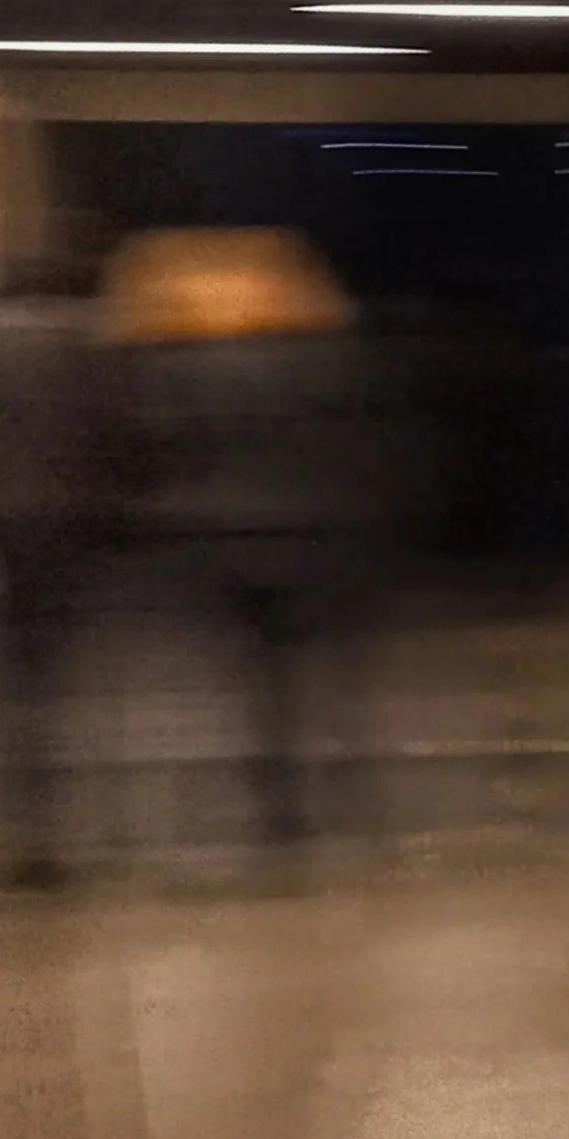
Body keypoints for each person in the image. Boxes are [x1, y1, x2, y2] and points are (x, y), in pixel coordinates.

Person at [101, 230, 383, 860]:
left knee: (231, 672)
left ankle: (256, 787)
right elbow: (345, 441)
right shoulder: (317, 358)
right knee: (301, 671)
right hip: (300, 531)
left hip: (211, 538)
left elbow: (149, 451)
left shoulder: (169, 366)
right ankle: (300, 797)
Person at [0, 287, 121, 889]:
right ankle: (60, 821)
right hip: (61, 524)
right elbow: (103, 432)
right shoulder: (72, 344)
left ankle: (22, 826)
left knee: (10, 678)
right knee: (58, 677)